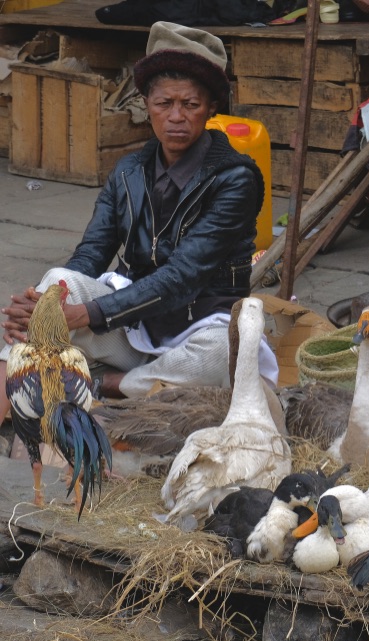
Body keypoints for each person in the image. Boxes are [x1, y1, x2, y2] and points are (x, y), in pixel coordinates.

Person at [0, 22, 270, 422]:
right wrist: (50, 304)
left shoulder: (236, 178)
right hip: (132, 325)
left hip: (199, 327)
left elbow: (182, 277)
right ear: (145, 103)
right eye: (164, 103)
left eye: (190, 105)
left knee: (224, 353)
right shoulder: (129, 170)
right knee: (60, 280)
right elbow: (91, 254)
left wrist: (84, 316)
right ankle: (9, 390)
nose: (176, 117)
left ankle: (103, 384)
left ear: (212, 107)